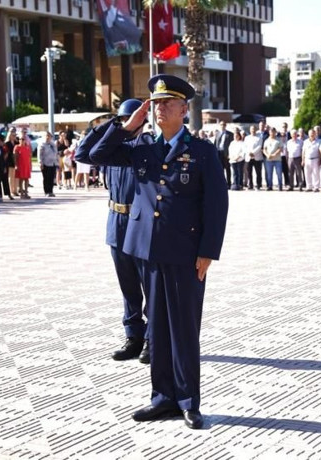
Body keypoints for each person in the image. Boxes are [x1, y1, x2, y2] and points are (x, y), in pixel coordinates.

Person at [88, 75, 228, 430]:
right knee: (159, 331)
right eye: (157, 102)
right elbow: (95, 155)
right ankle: (162, 397)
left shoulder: (202, 151)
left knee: (183, 329)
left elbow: (216, 205)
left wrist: (208, 251)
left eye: (168, 102)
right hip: (146, 251)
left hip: (185, 253)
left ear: (185, 109)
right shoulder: (142, 146)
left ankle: (187, 400)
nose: (161, 108)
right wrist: (126, 126)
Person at [77, 98, 152, 364]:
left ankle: (153, 339)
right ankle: (133, 335)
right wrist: (111, 124)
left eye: (130, 119)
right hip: (116, 222)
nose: (127, 124)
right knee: (127, 285)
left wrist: (131, 129)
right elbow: (82, 154)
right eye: (123, 120)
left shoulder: (146, 146)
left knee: (149, 284)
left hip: (139, 222)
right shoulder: (110, 147)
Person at [39, 132, 58, 197]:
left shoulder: (53, 144)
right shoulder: (42, 144)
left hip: (53, 163)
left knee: (52, 178)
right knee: (46, 178)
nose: (48, 137)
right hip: (45, 163)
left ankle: (51, 191)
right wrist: (40, 163)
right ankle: (46, 191)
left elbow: (56, 153)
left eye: (49, 136)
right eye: (47, 136)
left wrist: (57, 162)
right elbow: (40, 155)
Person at [244, 125, 263, 189]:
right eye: (252, 129)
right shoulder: (247, 138)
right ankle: (250, 184)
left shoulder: (259, 137)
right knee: (249, 172)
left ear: (256, 130)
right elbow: (245, 147)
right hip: (248, 157)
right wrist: (249, 153)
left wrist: (253, 153)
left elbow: (259, 146)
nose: (253, 130)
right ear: (250, 130)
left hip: (257, 157)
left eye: (254, 129)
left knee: (258, 172)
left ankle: (258, 184)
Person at [214, 121, 233, 188]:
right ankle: (221, 183)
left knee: (227, 169)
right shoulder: (217, 133)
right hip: (219, 153)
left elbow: (232, 145)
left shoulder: (230, 134)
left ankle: (229, 183)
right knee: (220, 169)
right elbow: (215, 144)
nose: (222, 126)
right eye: (221, 125)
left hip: (226, 153)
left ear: (225, 125)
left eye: (224, 125)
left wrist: (230, 154)